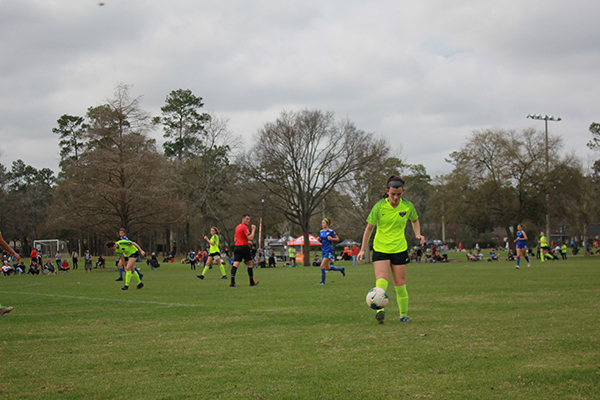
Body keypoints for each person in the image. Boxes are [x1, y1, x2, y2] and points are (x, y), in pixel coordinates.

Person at [358, 176, 425, 324]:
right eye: (393, 194)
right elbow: (369, 228)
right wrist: (362, 250)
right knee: (381, 280)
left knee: (400, 284)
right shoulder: (379, 207)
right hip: (381, 248)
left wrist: (418, 234)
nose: (395, 197)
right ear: (387, 191)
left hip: (400, 249)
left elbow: (415, 220)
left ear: (403, 192)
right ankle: (380, 312)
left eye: (399, 194)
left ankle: (403, 315)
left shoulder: (407, 206)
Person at [230, 215, 258, 287]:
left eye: (249, 219)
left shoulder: (237, 227)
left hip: (237, 247)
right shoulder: (245, 227)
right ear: (243, 219)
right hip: (244, 247)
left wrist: (246, 241)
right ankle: (251, 281)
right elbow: (250, 237)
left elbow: (235, 239)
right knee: (249, 264)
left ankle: (232, 282)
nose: (248, 221)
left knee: (235, 264)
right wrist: (253, 229)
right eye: (247, 219)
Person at [317, 218, 345, 285]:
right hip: (323, 250)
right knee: (328, 268)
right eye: (322, 223)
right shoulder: (321, 232)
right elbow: (322, 240)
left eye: (324, 223)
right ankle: (341, 269)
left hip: (328, 250)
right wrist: (319, 239)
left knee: (322, 266)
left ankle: (322, 282)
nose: (322, 224)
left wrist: (332, 238)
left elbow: (337, 239)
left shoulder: (331, 231)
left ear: (327, 224)